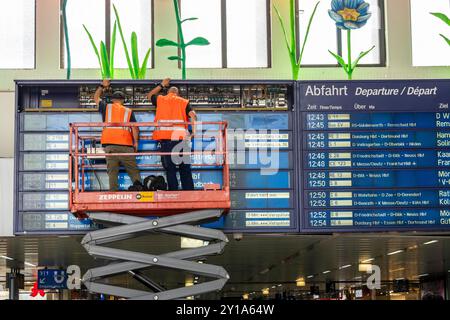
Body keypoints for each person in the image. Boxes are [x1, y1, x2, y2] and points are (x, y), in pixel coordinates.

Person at [147, 78, 196, 191]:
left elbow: (150, 95)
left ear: (167, 92)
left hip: (166, 140)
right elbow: (193, 115)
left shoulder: (160, 99)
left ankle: (173, 192)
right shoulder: (183, 102)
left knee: (170, 169)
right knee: (185, 169)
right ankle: (189, 192)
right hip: (182, 140)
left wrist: (161, 85)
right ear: (177, 93)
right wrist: (194, 132)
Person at [94, 79, 141, 191]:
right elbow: (135, 128)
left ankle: (113, 194)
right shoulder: (128, 111)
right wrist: (136, 143)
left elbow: (96, 98)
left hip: (110, 146)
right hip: (126, 146)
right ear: (123, 100)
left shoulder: (106, 107)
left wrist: (102, 86)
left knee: (112, 172)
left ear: (113, 99)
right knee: (133, 171)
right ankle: (140, 192)